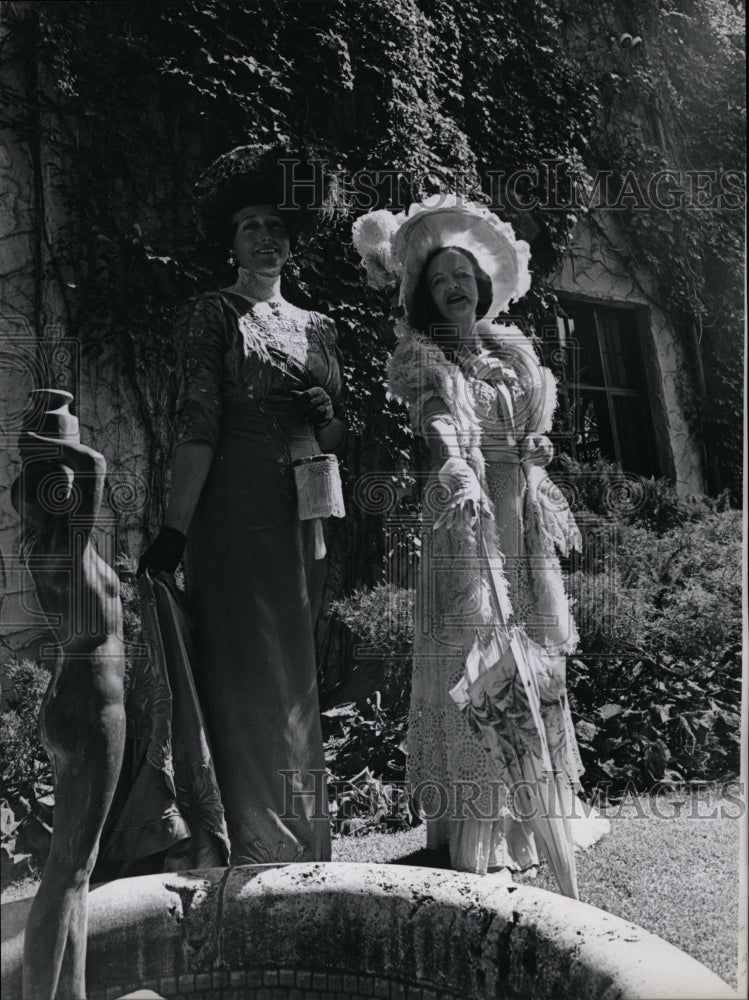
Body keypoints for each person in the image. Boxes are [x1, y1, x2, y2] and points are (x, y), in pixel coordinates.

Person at [353, 197, 607, 878]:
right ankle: (474, 830)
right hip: (464, 516)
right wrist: (457, 464)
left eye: (463, 275)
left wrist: (536, 448)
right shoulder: (423, 359)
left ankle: (539, 819)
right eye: (440, 281)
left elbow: (528, 430)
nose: (455, 286)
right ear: (426, 297)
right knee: (475, 661)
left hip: (516, 517)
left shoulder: (511, 356)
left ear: (481, 285)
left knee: (528, 656)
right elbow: (435, 420)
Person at [138, 145, 345, 865]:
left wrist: (325, 412)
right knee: (243, 662)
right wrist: (174, 530)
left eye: (277, 225)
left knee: (294, 669)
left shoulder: (321, 328)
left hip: (302, 513)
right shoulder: (209, 315)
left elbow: (336, 432)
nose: (266, 236)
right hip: (232, 509)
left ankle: (301, 835)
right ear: (229, 241)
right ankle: (248, 836)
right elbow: (197, 428)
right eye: (251, 224)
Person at [11, 390, 126, 999]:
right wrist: (57, 443)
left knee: (78, 868)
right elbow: (96, 467)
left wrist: (40, 448)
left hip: (70, 699)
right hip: (91, 703)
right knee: (67, 872)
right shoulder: (69, 539)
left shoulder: (47, 542)